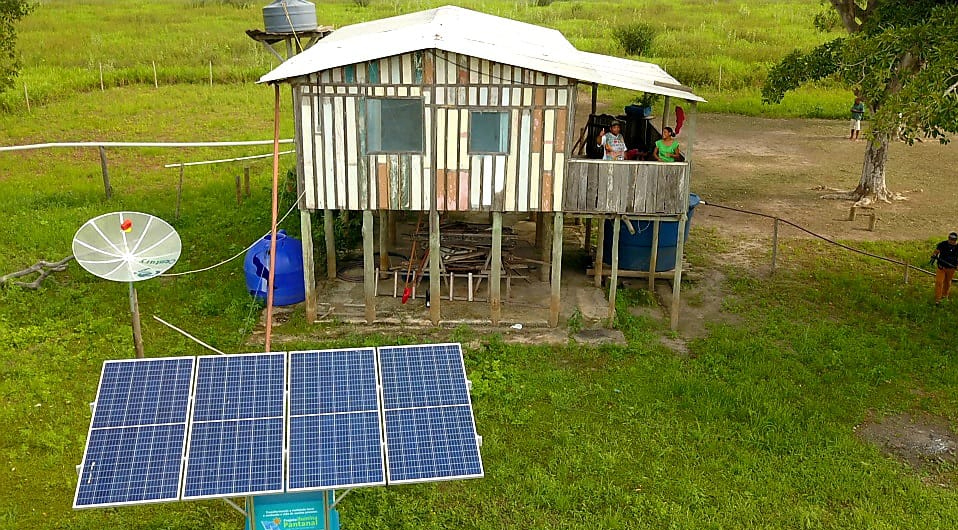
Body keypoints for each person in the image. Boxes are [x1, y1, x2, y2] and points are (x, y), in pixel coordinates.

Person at [929, 231, 958, 305]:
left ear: (956, 240)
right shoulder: (943, 244)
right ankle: (937, 299)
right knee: (939, 282)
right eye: (950, 239)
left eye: (953, 239)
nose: (951, 240)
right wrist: (934, 255)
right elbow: (936, 251)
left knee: (947, 283)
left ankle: (945, 296)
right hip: (941, 267)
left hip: (951, 268)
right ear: (948, 238)